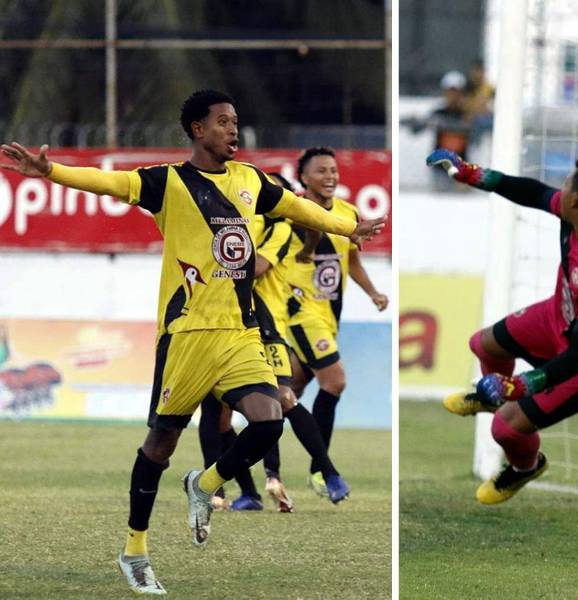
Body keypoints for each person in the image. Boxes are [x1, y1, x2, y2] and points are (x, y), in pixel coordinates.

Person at [0, 89, 384, 596]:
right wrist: (52, 173)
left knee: (270, 421)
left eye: (236, 121)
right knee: (160, 444)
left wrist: (349, 226)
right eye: (222, 122)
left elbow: (298, 209)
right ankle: (134, 549)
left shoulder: (251, 181)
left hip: (241, 332)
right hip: (187, 336)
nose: (233, 129)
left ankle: (203, 485)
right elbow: (109, 183)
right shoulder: (169, 183)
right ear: (197, 130)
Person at [426, 149, 578, 505]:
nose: (559, 189)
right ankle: (493, 397)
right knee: (484, 345)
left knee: (506, 430)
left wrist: (519, 386)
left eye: (566, 184)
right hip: (558, 316)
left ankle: (525, 466)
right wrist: (474, 174)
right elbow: (532, 192)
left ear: (577, 200)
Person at [198, 172, 350, 512]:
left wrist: (216, 264)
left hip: (267, 327)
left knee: (281, 400)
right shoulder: (242, 222)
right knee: (218, 415)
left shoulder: (280, 228)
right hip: (224, 324)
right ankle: (243, 492)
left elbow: (257, 267)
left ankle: (324, 471)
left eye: (274, 194)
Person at [287, 146, 388, 496]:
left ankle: (250, 457)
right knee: (334, 381)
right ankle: (321, 469)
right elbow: (300, 245)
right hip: (300, 312)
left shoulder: (347, 212)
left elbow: (353, 261)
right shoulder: (293, 210)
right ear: (304, 177)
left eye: (333, 170)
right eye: (321, 171)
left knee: (287, 393)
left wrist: (373, 292)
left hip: (329, 317)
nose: (330, 176)